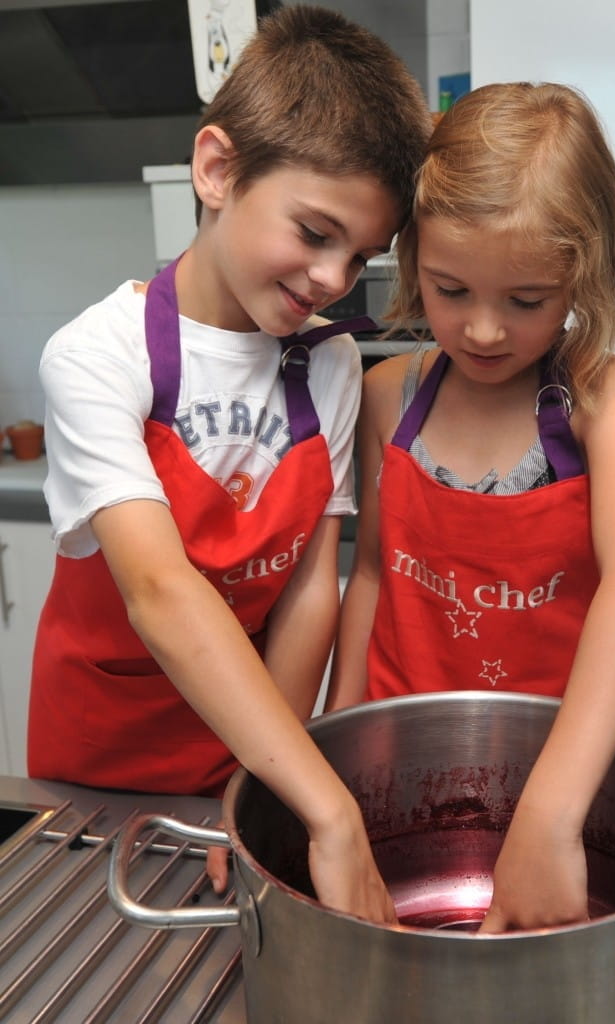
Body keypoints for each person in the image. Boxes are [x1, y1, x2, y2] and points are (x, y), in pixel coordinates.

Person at [27, 5, 431, 924]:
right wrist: (325, 804)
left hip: (249, 744)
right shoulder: (99, 354)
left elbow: (305, 590)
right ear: (218, 170)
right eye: (317, 231)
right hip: (100, 768)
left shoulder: (324, 358)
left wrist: (266, 778)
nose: (335, 278)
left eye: (362, 254)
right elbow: (161, 591)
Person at [326, 81, 615, 931]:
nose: (483, 331)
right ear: (413, 266)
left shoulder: (605, 402)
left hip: (555, 769)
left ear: (583, 276)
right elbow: (369, 575)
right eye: (450, 291)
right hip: (397, 763)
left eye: (525, 302)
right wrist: (333, 747)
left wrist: (550, 815)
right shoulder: (386, 398)